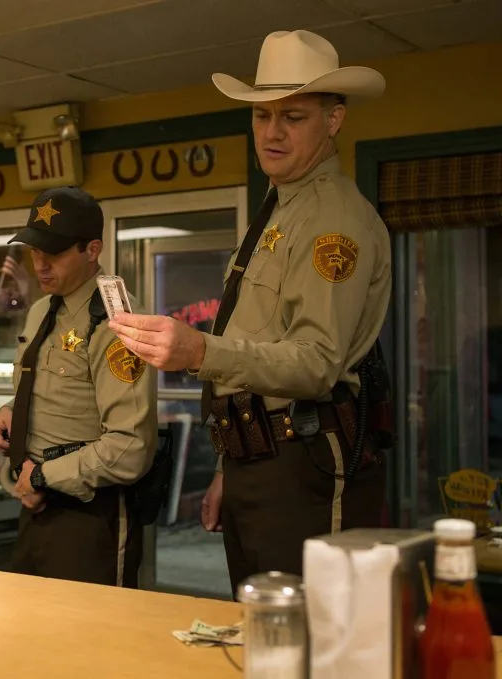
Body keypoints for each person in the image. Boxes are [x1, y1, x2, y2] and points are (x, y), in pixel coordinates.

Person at [109, 29, 392, 592]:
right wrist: (228, 467)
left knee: (309, 629)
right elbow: (261, 342)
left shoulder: (332, 218)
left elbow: (315, 363)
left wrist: (197, 350)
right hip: (258, 460)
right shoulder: (280, 207)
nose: (272, 132)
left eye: (294, 117)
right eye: (263, 115)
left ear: (334, 120)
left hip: (306, 468)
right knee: (260, 628)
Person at [0, 186, 158, 587]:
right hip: (35, 503)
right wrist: (12, 410)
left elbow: (130, 447)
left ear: (92, 250)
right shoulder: (41, 311)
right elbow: (57, 390)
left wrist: (43, 476)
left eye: (55, 253)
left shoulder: (117, 321)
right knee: (27, 620)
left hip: (90, 514)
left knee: (91, 626)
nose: (41, 265)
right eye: (35, 252)